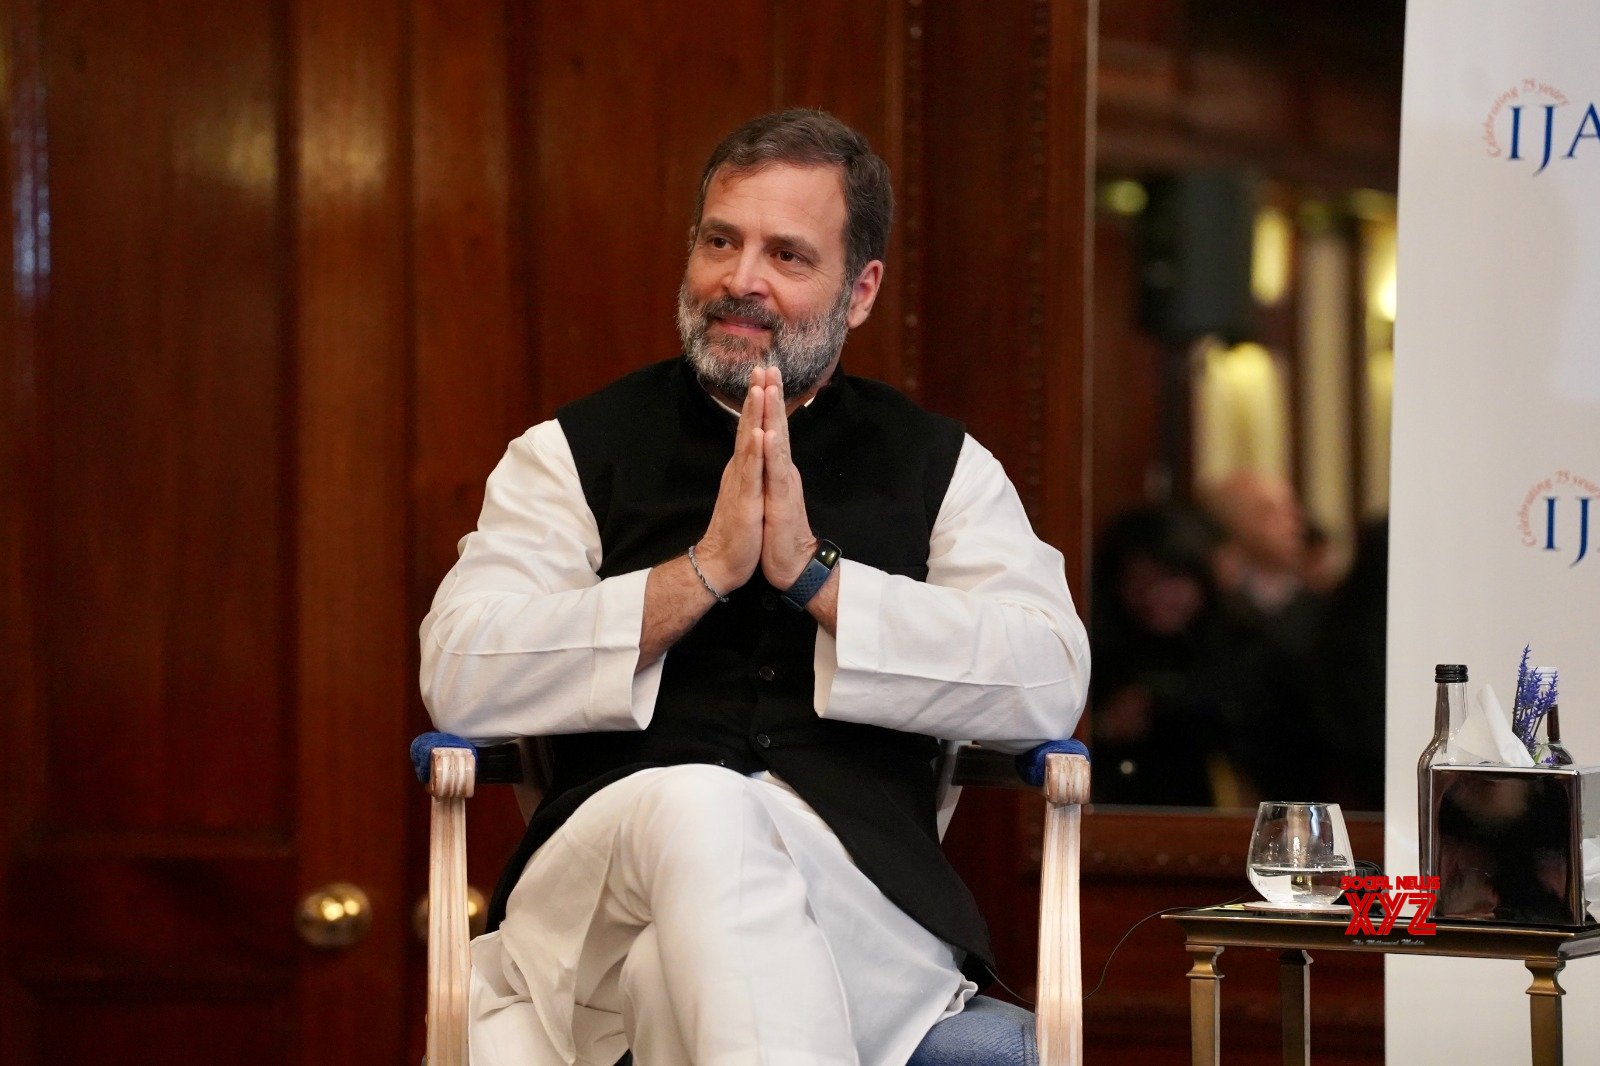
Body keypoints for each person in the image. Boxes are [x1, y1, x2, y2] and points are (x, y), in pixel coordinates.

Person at [420, 109, 1089, 1066]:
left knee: (668, 981)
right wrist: (701, 576)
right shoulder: (571, 452)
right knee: (700, 805)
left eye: (787, 255)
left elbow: (1049, 679)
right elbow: (461, 672)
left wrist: (813, 578)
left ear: (860, 292)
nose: (742, 281)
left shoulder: (942, 467)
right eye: (720, 241)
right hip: (605, 881)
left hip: (853, 898)